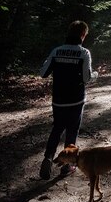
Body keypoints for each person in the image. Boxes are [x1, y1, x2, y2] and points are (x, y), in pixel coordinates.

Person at [39, 20, 98, 179]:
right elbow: (86, 78)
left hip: (58, 99)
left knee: (57, 128)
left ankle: (48, 157)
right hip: (76, 100)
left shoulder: (56, 51)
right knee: (72, 131)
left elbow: (43, 73)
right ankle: (66, 166)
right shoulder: (84, 53)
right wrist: (95, 75)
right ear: (83, 35)